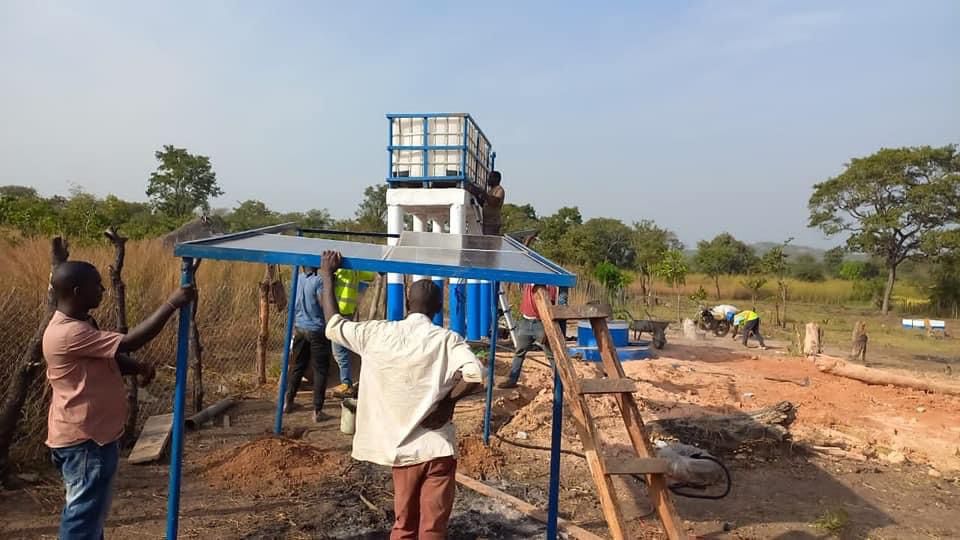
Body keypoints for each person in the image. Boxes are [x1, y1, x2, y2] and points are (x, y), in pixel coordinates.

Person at [318, 251, 483, 540]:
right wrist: (447, 402)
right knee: (433, 527)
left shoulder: (376, 333)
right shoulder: (447, 339)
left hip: (404, 451)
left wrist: (327, 275)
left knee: (404, 525)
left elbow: (333, 324)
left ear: (407, 303)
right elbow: (475, 375)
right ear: (438, 308)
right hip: (439, 447)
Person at [43, 261, 196, 540]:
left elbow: (108, 355)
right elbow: (128, 342)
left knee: (90, 516)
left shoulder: (80, 324)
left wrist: (139, 368)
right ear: (77, 291)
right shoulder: (68, 332)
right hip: (86, 442)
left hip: (91, 438)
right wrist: (171, 304)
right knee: (82, 519)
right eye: (96, 285)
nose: (103, 289)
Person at [284, 266, 333, 422]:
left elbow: (292, 303)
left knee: (298, 365)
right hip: (316, 329)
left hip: (299, 328)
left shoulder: (297, 279)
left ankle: (288, 402)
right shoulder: (319, 281)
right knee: (320, 369)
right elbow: (323, 303)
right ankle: (317, 411)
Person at [497, 284, 557, 389]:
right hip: (525, 322)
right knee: (519, 352)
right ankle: (512, 380)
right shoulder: (527, 283)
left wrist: (548, 326)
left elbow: (550, 304)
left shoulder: (549, 285)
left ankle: (559, 385)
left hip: (541, 323)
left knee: (551, 355)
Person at [330, 268, 378, 398]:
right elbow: (370, 275)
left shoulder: (342, 270)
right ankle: (347, 381)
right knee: (341, 348)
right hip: (348, 311)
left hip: (339, 311)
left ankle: (346, 383)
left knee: (339, 350)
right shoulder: (355, 270)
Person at [467, 170, 505, 235]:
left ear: (496, 179)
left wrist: (482, 192)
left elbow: (494, 202)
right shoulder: (490, 191)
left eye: (490, 177)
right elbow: (484, 204)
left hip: (493, 224)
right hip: (487, 223)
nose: (488, 179)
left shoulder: (499, 190)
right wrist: (476, 195)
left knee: (490, 240)